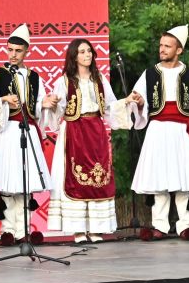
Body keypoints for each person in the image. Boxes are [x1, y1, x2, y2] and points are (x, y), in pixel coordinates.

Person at [127, 25, 189, 241]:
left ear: (179, 50)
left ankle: (186, 225)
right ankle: (160, 225)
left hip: (184, 131)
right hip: (158, 130)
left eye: (167, 46)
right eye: (161, 45)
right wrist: (139, 102)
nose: (162, 49)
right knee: (159, 179)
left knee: (185, 180)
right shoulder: (149, 74)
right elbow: (139, 102)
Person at [43, 39, 133, 243]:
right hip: (74, 132)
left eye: (89, 51)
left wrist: (126, 102)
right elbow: (58, 111)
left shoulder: (99, 80)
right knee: (75, 178)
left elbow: (109, 107)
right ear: (74, 56)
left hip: (95, 132)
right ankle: (78, 230)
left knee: (98, 178)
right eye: (82, 52)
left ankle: (95, 228)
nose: (87, 55)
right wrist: (53, 104)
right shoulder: (64, 81)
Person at [0, 24, 58, 241]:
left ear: (27, 51)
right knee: (8, 182)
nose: (13, 55)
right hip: (6, 131)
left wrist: (45, 104)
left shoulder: (34, 77)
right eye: (10, 50)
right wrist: (3, 100)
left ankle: (24, 229)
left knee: (25, 181)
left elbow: (38, 104)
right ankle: (7, 229)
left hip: (27, 131)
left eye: (18, 51)